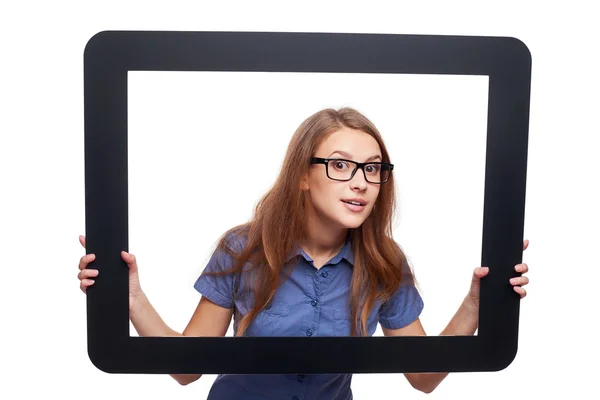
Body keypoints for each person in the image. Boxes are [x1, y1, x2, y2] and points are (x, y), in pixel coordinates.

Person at [77, 107, 530, 399]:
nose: (360, 182)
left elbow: (423, 377)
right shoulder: (243, 248)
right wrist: (130, 298)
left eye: (373, 169)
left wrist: (476, 303)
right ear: (303, 176)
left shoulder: (385, 263)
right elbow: (185, 370)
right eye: (340, 165)